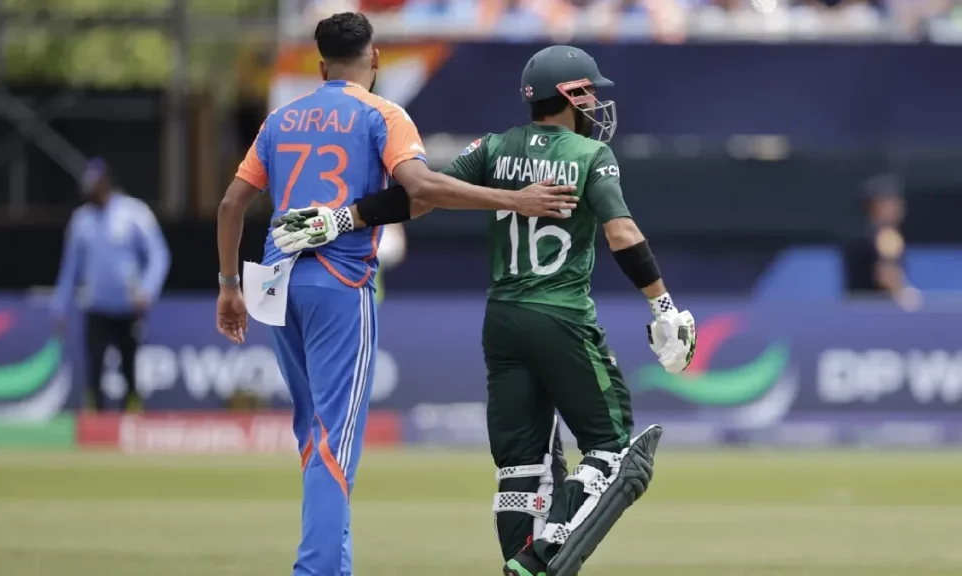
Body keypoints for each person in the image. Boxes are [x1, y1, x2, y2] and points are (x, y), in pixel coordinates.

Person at [272, 45, 698, 576]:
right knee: (613, 456)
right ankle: (543, 556)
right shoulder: (591, 156)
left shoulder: (495, 147)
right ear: (566, 95)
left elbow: (421, 195)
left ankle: (522, 562)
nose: (595, 103)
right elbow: (622, 232)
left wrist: (341, 219)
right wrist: (663, 305)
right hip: (560, 313)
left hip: (502, 321)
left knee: (521, 471)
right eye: (588, 91)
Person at [214, 13, 577, 576]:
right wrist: (514, 200)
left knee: (313, 435)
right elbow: (423, 188)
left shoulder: (280, 120)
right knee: (335, 441)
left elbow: (231, 205)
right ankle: (314, 571)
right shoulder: (383, 115)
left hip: (277, 285)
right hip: (339, 284)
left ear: (320, 64)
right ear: (375, 58)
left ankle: (332, 566)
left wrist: (229, 287)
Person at [51, 158, 171, 412]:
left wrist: (148, 289)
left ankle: (132, 415)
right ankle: (95, 420)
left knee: (130, 366)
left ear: (106, 183)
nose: (89, 192)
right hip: (96, 305)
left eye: (94, 185)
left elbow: (159, 254)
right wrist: (60, 306)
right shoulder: (81, 220)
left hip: (129, 306)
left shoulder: (133, 212)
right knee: (94, 365)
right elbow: (70, 268)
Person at [842, 173, 921, 310]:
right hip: (877, 312)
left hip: (856, 311)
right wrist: (905, 294)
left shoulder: (859, 235)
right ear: (876, 205)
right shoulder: (886, 237)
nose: (899, 208)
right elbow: (886, 273)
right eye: (892, 202)